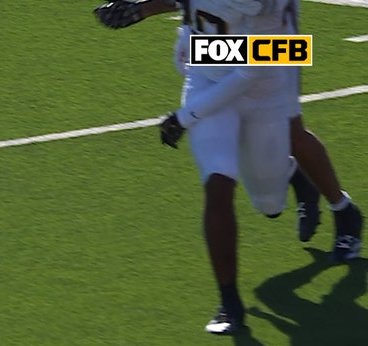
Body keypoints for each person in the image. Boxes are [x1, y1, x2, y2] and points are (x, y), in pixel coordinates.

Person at [94, 0, 362, 263]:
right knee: (240, 120)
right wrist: (145, 9)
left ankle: (343, 210)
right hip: (237, 40)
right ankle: (296, 178)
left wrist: (195, 50)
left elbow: (272, 53)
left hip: (273, 41)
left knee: (289, 128)